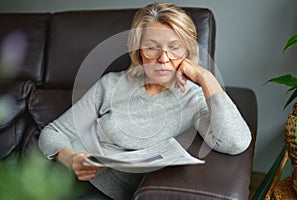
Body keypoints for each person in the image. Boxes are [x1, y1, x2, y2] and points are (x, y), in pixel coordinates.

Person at [38, 3, 252, 200]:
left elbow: (235, 143)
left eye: (175, 47)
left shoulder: (194, 99)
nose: (163, 58)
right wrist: (70, 159)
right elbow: (53, 132)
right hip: (74, 183)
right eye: (152, 47)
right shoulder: (111, 84)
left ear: (187, 52)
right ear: (139, 51)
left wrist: (205, 77)